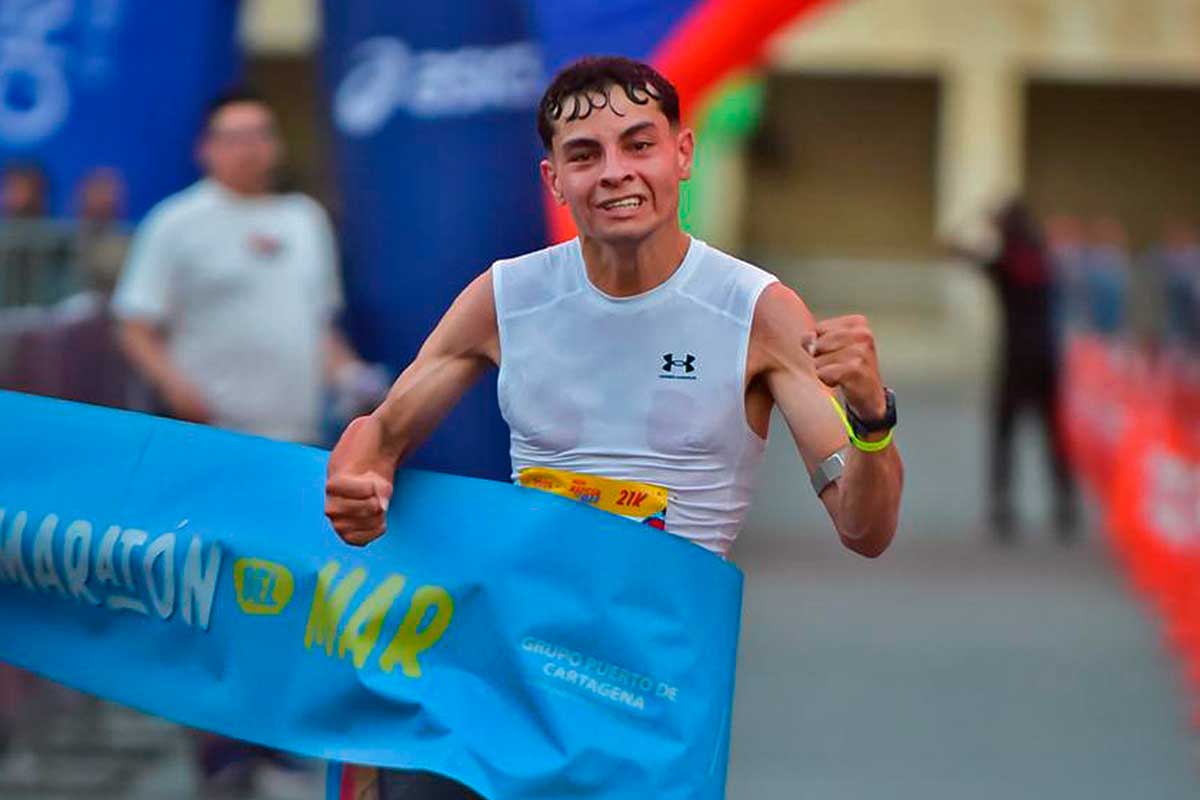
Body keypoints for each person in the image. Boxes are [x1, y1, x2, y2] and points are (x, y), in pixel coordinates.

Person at [324, 56, 903, 799]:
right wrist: (357, 479)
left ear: (683, 154)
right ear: (554, 180)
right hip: (518, 660)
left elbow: (864, 528)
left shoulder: (755, 311)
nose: (614, 173)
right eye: (584, 155)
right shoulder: (507, 297)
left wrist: (871, 420)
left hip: (649, 687)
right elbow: (379, 435)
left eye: (639, 144)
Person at [112, 88, 384, 798]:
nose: (250, 147)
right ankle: (218, 750)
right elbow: (135, 324)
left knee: (286, 597)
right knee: (209, 602)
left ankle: (275, 741)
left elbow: (319, 328)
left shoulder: (304, 221)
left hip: (295, 448)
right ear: (206, 148)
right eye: (233, 136)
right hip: (212, 450)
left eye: (261, 133)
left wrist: (352, 377)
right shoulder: (178, 223)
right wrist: (175, 386)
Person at [949, 199, 1077, 541]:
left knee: (1004, 436)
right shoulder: (1044, 258)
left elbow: (955, 248)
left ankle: (1002, 508)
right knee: (1054, 436)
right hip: (1047, 357)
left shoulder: (1004, 261)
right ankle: (1066, 507)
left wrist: (977, 218)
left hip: (1015, 359)